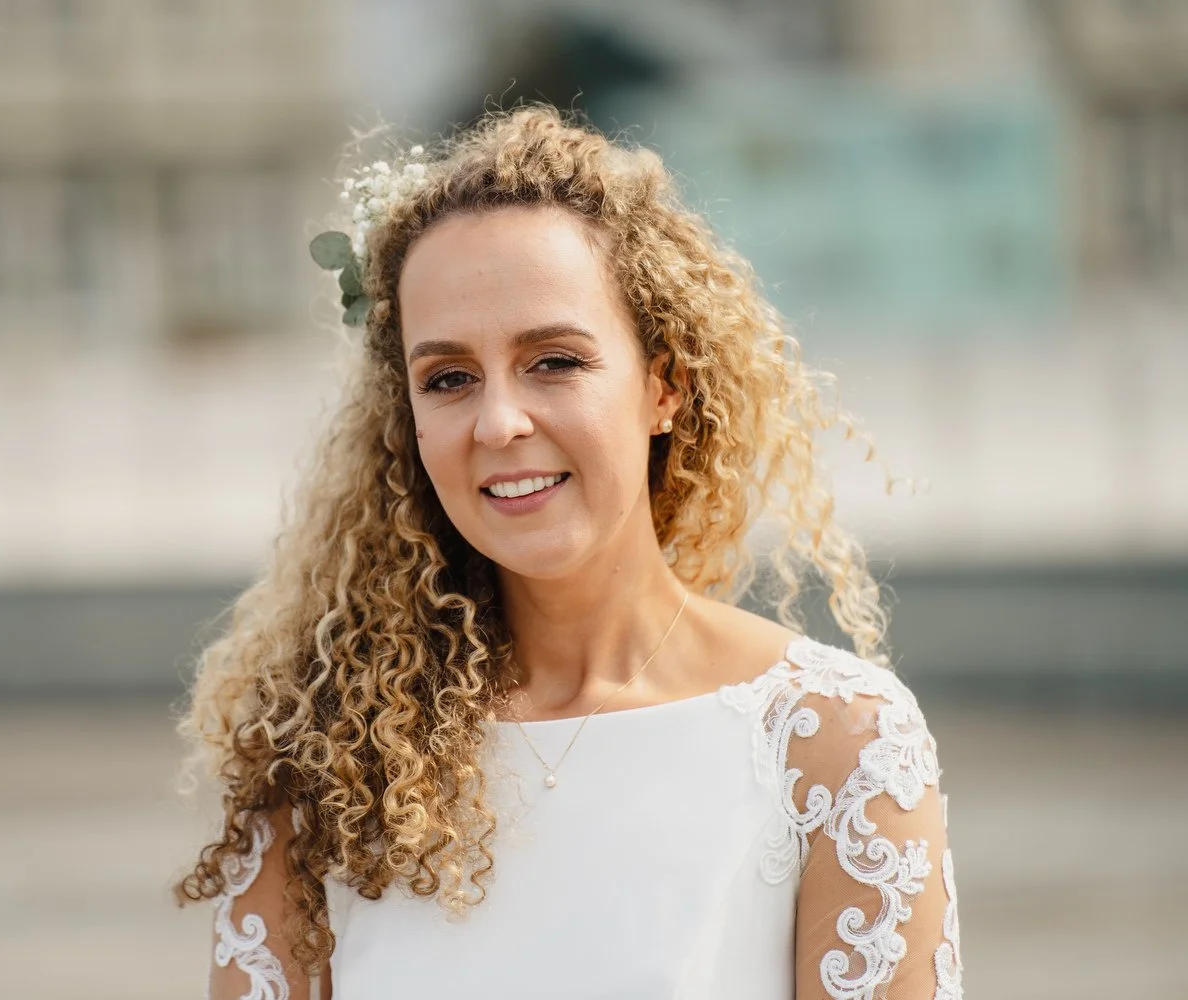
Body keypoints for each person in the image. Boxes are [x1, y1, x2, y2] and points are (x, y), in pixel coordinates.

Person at [172, 104, 963, 1000]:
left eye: (554, 361)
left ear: (664, 385)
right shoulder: (322, 761)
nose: (500, 421)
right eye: (449, 379)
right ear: (411, 423)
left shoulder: (838, 746)